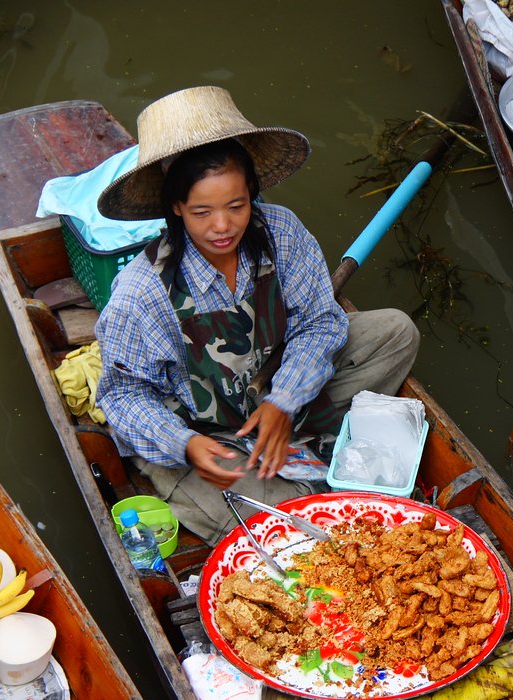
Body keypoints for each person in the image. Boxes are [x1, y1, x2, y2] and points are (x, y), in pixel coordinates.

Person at [94, 86, 420, 544]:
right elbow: (123, 397)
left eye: (236, 205)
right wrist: (185, 445)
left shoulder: (280, 231)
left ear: (252, 192)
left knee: (395, 333)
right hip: (203, 433)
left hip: (271, 389)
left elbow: (320, 322)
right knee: (286, 525)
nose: (223, 227)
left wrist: (284, 398)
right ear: (176, 208)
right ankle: (269, 461)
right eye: (202, 212)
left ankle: (289, 433)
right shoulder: (140, 293)